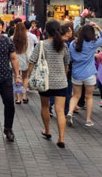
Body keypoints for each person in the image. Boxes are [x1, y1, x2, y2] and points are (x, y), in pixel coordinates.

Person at [27, 20, 70, 148]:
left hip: (44, 82)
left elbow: (32, 61)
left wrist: (30, 75)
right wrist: (64, 75)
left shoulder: (41, 45)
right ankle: (61, 138)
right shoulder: (64, 45)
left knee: (45, 106)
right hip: (61, 82)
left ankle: (47, 130)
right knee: (60, 111)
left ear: (46, 30)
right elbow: (66, 64)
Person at [66, 22, 102, 127]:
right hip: (89, 74)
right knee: (89, 97)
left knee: (75, 96)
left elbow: (70, 58)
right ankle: (88, 120)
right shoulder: (92, 43)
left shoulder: (73, 44)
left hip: (76, 73)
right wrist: (98, 27)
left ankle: (70, 112)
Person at [50, 22, 73, 115]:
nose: (72, 32)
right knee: (66, 92)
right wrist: (66, 72)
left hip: (54, 72)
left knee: (52, 91)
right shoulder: (65, 44)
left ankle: (50, 107)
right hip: (63, 72)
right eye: (70, 31)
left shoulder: (53, 42)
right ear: (66, 32)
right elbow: (67, 61)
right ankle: (65, 111)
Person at [12, 22, 34, 104]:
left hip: (15, 61)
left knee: (16, 77)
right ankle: (24, 96)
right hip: (24, 60)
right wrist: (30, 62)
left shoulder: (12, 38)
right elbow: (29, 52)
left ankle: (18, 98)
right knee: (25, 77)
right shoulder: (26, 39)